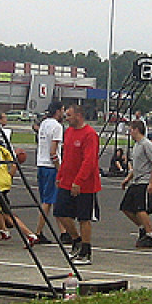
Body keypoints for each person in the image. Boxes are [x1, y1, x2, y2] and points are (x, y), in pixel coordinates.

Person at [54, 104, 101, 265]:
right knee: (60, 212)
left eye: (69, 115)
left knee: (83, 217)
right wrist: (60, 175)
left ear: (79, 116)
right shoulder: (69, 132)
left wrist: (78, 181)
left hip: (85, 184)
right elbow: (66, 156)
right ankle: (76, 240)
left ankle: (86, 252)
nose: (66, 118)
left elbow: (89, 161)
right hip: (67, 181)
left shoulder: (90, 135)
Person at [120, 120, 152, 248]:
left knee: (140, 209)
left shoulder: (146, 144)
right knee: (126, 207)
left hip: (144, 181)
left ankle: (150, 235)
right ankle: (143, 227)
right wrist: (128, 178)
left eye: (131, 129)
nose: (129, 132)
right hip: (136, 181)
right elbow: (137, 166)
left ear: (137, 129)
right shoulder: (136, 145)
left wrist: (151, 182)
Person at [34, 101, 67, 244]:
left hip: (41, 164)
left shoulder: (44, 124)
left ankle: (64, 231)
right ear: (58, 111)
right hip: (50, 166)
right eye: (63, 110)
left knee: (52, 200)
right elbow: (53, 151)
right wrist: (60, 168)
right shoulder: (57, 127)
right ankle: (38, 232)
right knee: (48, 201)